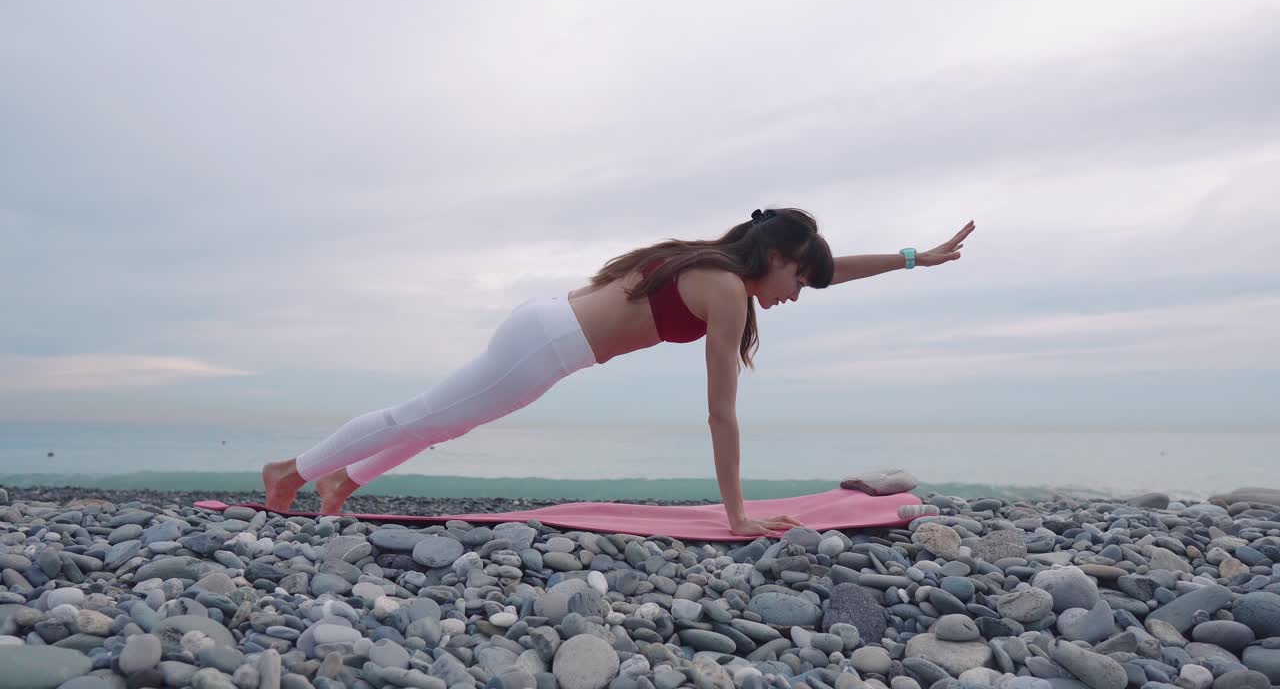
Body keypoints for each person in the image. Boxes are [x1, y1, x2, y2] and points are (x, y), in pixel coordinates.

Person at [262, 208, 975, 536]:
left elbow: (832, 269)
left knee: (451, 420)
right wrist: (735, 513)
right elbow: (721, 412)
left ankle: (340, 481)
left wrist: (915, 257)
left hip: (547, 332)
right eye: (799, 277)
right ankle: (290, 471)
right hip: (546, 344)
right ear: (776, 260)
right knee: (423, 415)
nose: (800, 293)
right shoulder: (725, 291)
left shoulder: (722, 264)